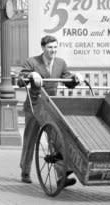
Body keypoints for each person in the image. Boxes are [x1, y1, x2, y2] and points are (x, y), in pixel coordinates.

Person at [16, 35, 81, 186]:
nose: (53, 50)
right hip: (35, 106)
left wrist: (76, 78)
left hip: (51, 107)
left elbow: (68, 80)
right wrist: (31, 74)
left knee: (56, 139)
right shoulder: (32, 62)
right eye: (50, 47)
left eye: (55, 47)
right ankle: (25, 171)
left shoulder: (60, 63)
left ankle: (61, 176)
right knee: (30, 139)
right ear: (43, 48)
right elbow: (20, 79)